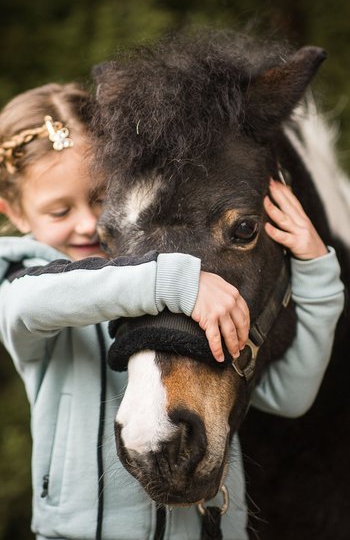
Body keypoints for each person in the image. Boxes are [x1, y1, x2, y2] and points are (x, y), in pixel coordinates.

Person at [0, 82, 344, 540]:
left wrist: (318, 273)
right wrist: (174, 282)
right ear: (16, 214)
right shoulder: (25, 277)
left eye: (101, 198)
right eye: (59, 210)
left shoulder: (160, 275)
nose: (86, 223)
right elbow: (28, 301)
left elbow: (288, 397)